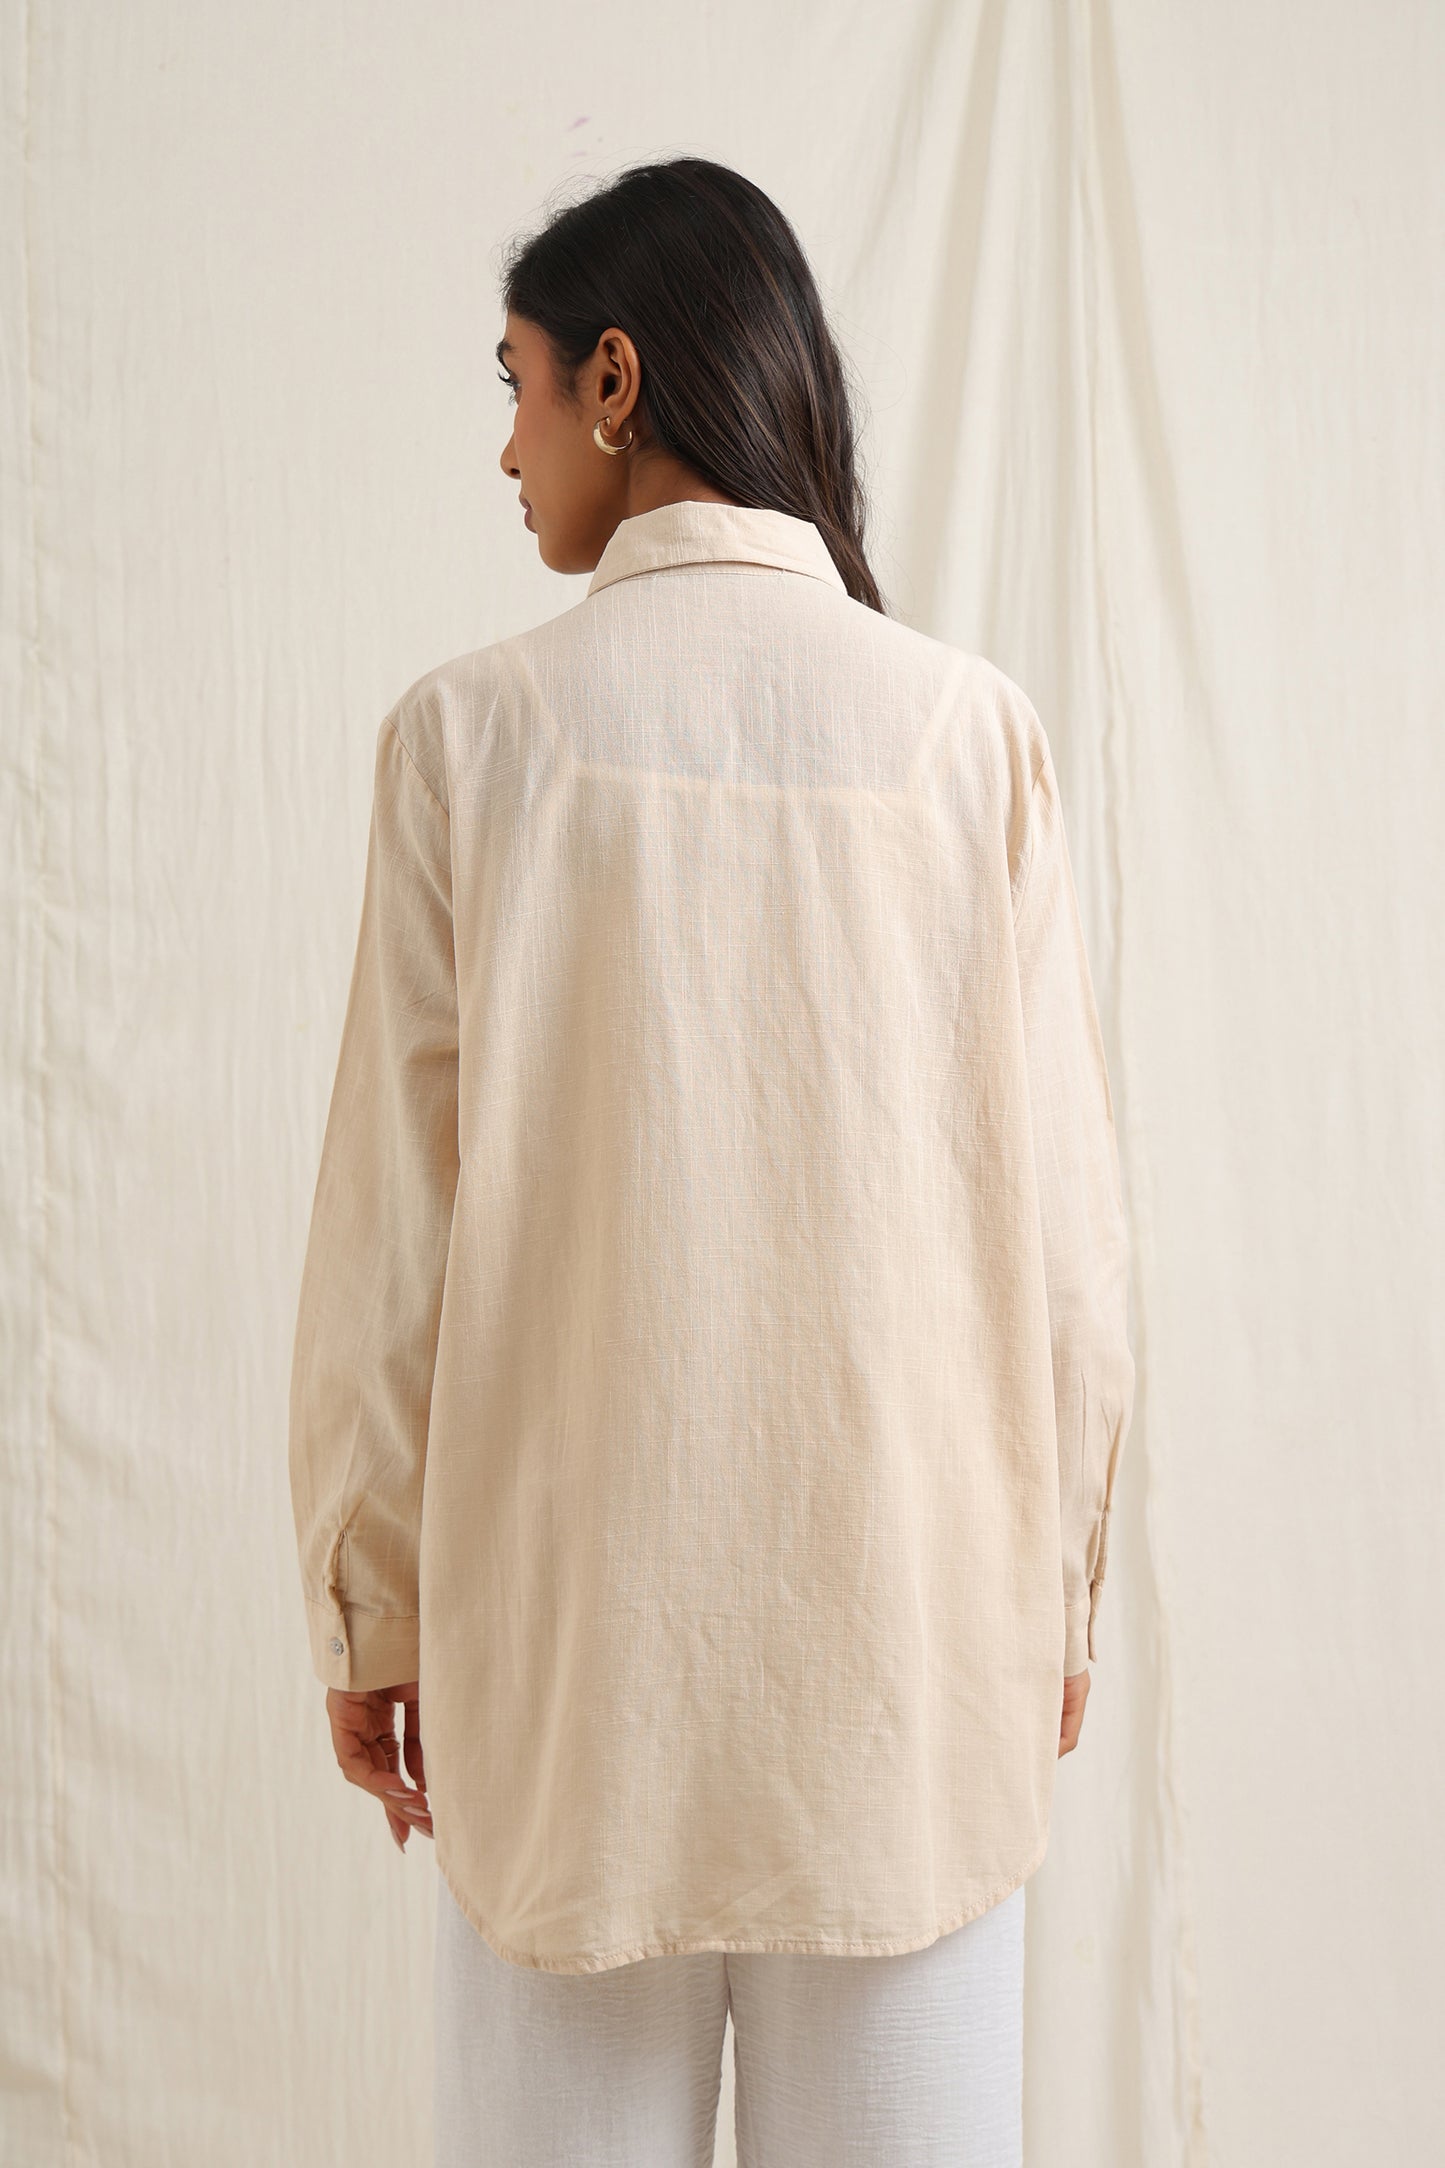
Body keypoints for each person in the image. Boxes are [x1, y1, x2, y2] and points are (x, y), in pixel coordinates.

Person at [287, 155, 1136, 2168]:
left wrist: (372, 1612)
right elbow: (1071, 1254)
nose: (504, 451)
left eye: (514, 387)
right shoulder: (969, 737)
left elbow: (393, 1246)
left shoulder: (467, 743)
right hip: (909, 1680)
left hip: (567, 1678)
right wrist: (1057, 1592)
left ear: (615, 380)